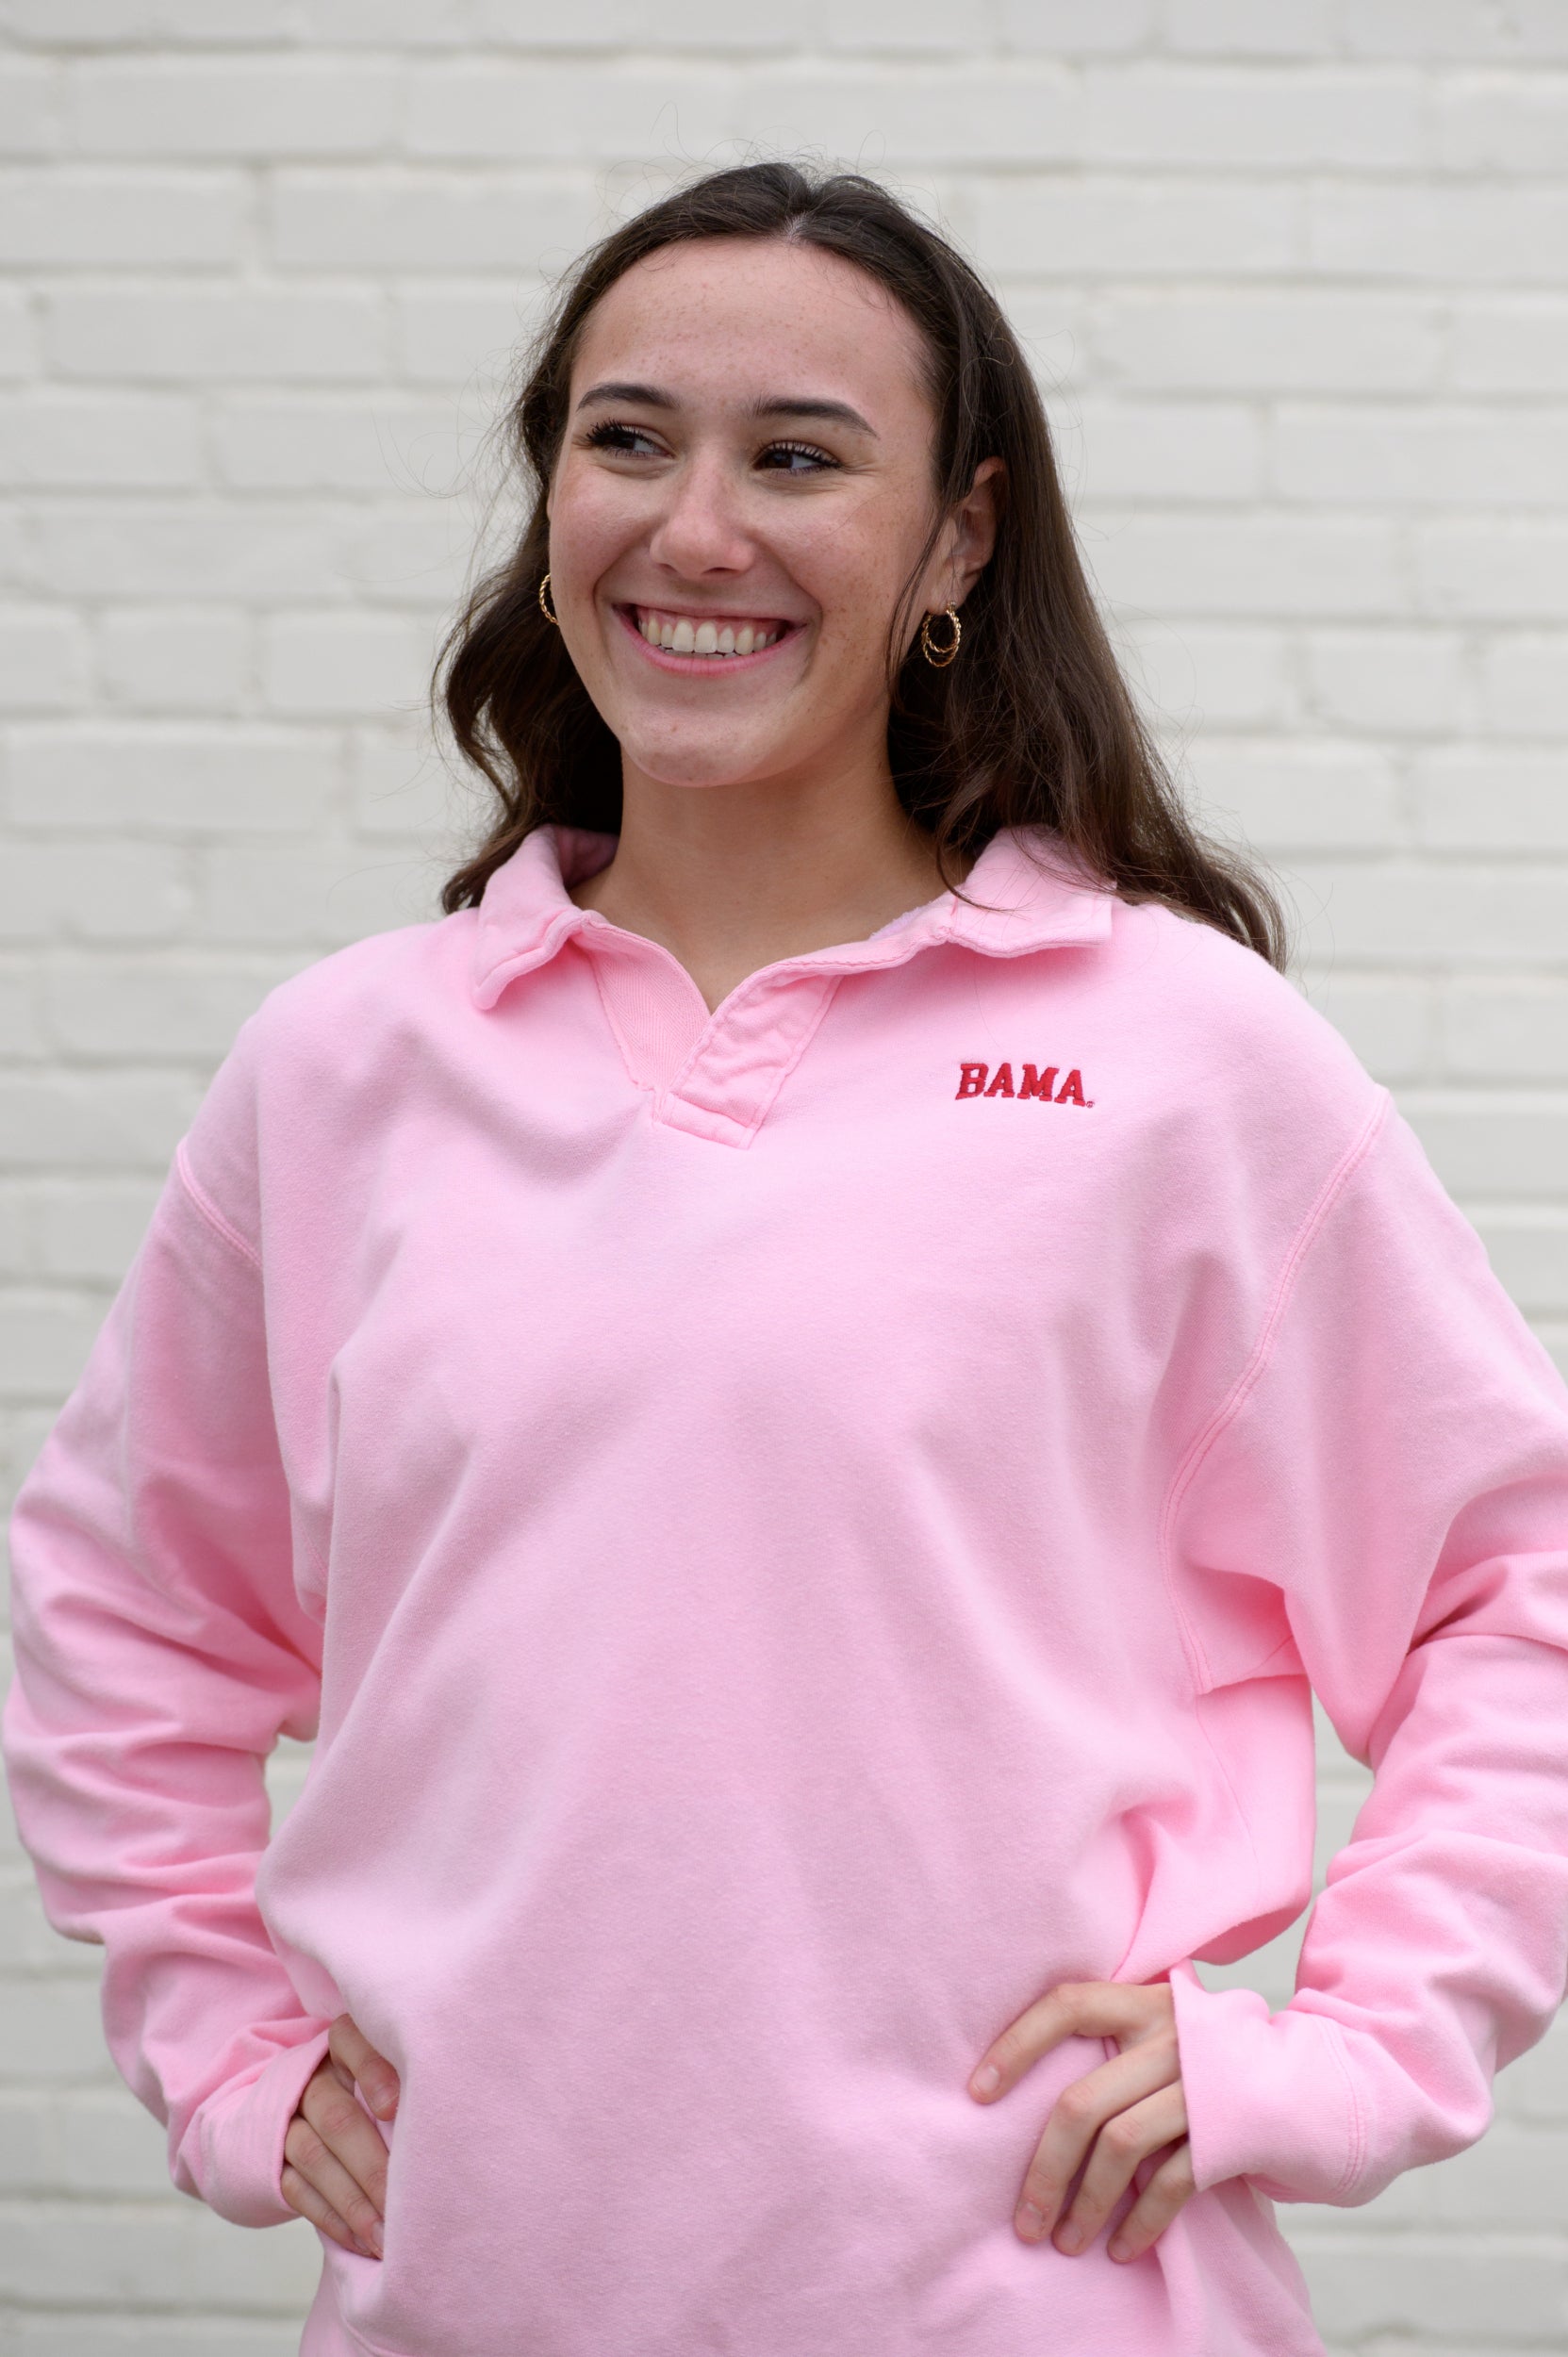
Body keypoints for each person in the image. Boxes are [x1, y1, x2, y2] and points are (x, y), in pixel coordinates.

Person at [5, 157, 1568, 2357]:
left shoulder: (1179, 1060)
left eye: (799, 457)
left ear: (960, 538)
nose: (695, 528)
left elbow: (1517, 1587)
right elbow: (128, 1617)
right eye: (626, 437)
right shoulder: (340, 1071)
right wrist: (227, 2048)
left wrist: (1345, 2041)